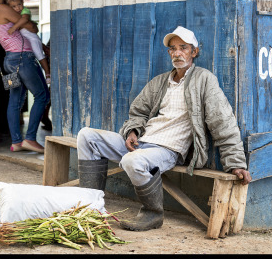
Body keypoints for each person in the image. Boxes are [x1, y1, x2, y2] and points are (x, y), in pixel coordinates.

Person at [76, 26, 252, 232]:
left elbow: (223, 122)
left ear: (194, 52)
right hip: (142, 144)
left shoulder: (204, 80)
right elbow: (138, 113)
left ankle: (152, 213)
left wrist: (236, 163)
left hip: (168, 149)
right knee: (86, 136)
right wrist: (132, 131)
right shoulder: (160, 82)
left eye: (183, 48)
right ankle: (91, 205)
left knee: (132, 160)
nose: (177, 53)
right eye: (173, 48)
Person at [0, 0, 50, 153]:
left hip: (9, 61)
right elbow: (31, 27)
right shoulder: (4, 9)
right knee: (42, 95)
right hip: (23, 59)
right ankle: (30, 139)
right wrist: (30, 23)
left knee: (14, 101)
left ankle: (16, 141)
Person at [3, 0, 51, 85]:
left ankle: (48, 74)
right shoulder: (6, 15)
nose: (18, 8)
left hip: (18, 53)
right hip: (13, 57)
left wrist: (14, 27)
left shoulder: (24, 11)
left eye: (19, 4)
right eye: (14, 6)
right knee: (17, 89)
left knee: (39, 55)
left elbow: (27, 22)